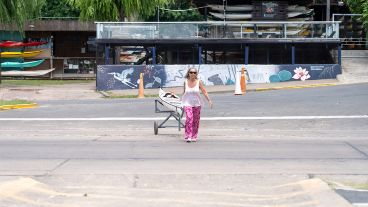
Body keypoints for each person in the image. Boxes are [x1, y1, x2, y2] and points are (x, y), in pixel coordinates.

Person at [181, 67, 212, 143]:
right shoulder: (185, 82)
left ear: (196, 74)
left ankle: (194, 136)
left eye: (195, 73)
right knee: (189, 118)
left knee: (195, 120)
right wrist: (181, 101)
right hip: (187, 103)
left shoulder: (199, 82)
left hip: (197, 104)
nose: (193, 74)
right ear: (189, 73)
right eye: (191, 72)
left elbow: (204, 92)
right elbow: (184, 92)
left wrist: (209, 100)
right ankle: (188, 136)